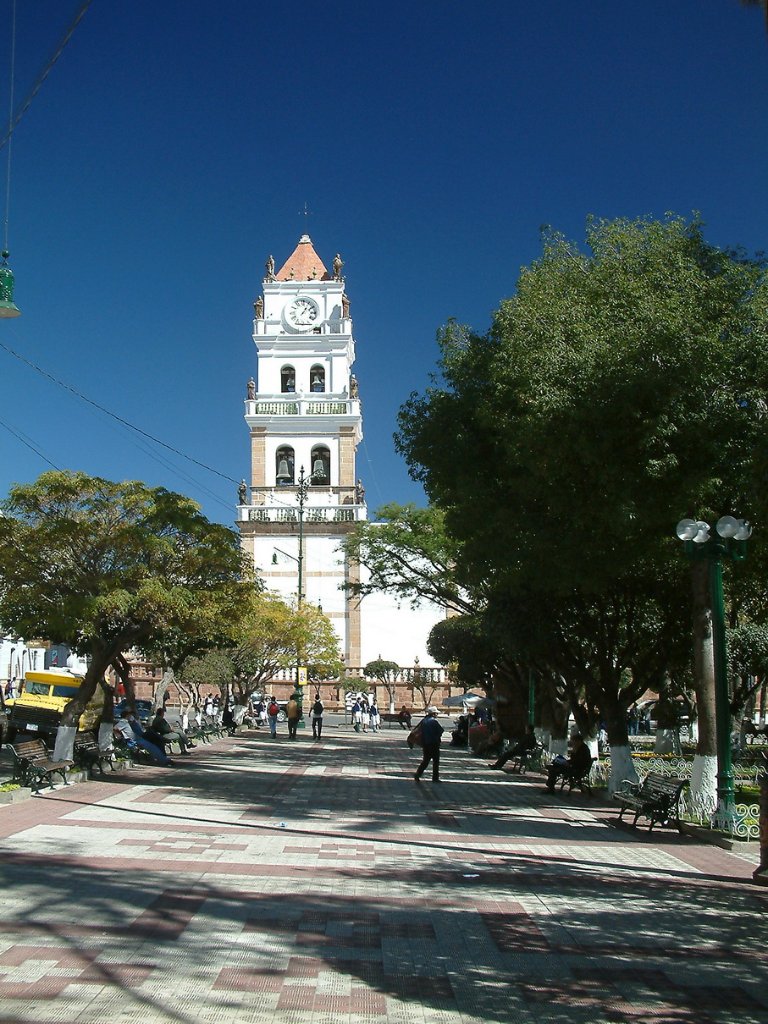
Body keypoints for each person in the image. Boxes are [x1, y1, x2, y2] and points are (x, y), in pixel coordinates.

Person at [414, 707, 444, 783]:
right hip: (434, 743)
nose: (437, 714)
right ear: (433, 714)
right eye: (436, 713)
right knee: (436, 761)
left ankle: (418, 774)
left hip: (425, 743)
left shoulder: (424, 721)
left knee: (426, 760)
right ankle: (435, 778)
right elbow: (441, 730)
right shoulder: (434, 722)